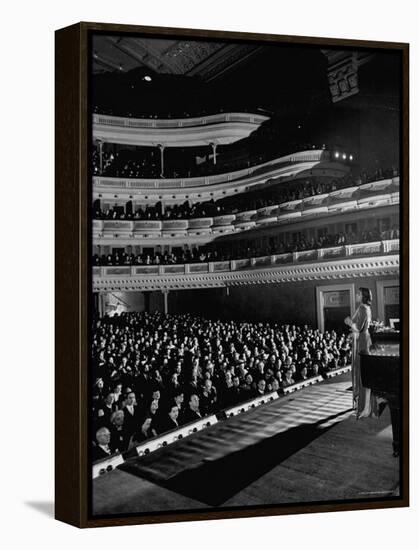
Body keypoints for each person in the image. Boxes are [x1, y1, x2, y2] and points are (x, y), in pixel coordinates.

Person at [344, 287, 379, 419]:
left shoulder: (363, 308)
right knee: (364, 373)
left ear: (363, 296)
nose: (356, 295)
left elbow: (357, 327)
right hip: (363, 339)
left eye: (358, 294)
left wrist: (348, 322)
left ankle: (365, 408)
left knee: (362, 373)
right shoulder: (365, 308)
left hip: (362, 342)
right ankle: (365, 406)